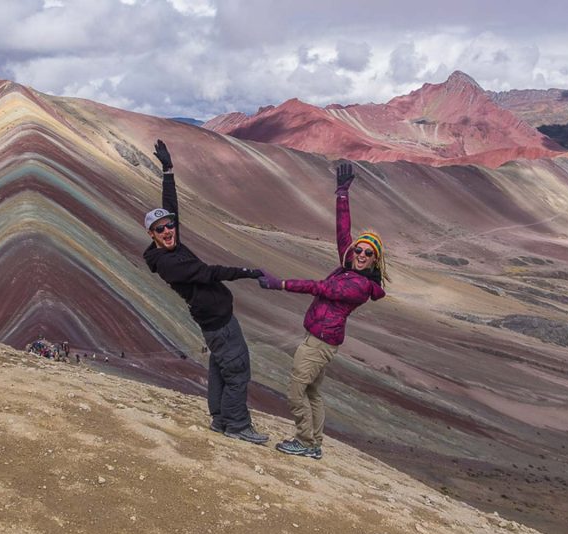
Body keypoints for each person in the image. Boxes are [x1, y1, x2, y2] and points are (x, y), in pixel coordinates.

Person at [257, 162, 387, 460]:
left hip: (320, 342)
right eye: (359, 250)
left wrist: (281, 284)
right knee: (313, 392)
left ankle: (304, 441)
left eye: (368, 253)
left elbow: (319, 288)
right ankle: (313, 444)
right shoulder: (348, 265)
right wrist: (342, 195)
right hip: (319, 338)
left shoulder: (359, 286)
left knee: (295, 390)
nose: (361, 254)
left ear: (375, 261)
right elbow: (343, 233)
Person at [142, 139, 269, 445]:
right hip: (219, 324)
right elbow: (209, 273)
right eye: (160, 229)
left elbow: (172, 208)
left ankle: (220, 418)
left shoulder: (172, 245)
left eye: (169, 226)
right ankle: (237, 425)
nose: (168, 230)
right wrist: (248, 273)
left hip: (214, 322)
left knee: (219, 368)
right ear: (152, 236)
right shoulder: (168, 264)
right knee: (237, 371)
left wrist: (168, 170)